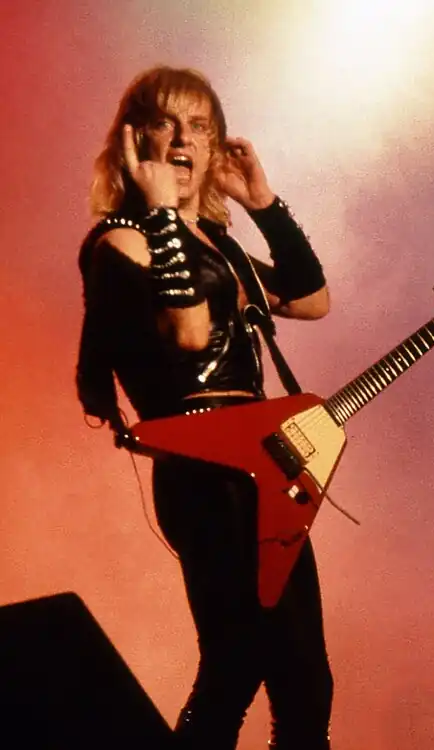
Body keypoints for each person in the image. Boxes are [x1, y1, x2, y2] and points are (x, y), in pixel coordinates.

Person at [76, 65, 333, 750]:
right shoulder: (121, 241)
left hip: (265, 470)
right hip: (204, 475)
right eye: (166, 123)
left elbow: (313, 300)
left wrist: (264, 205)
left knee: (302, 683)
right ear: (134, 141)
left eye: (200, 126)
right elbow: (188, 333)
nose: (184, 140)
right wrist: (163, 213)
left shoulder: (221, 246)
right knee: (238, 664)